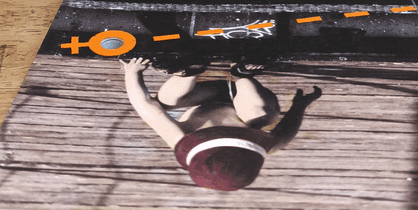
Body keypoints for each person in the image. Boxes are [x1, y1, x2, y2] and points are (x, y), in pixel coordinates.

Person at [121, 56, 322, 191]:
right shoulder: (269, 144)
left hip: (202, 97)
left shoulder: (179, 138)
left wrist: (132, 72)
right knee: (263, 115)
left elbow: (146, 106)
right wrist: (299, 106)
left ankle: (190, 69)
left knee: (166, 101)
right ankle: (241, 73)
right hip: (244, 98)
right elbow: (286, 131)